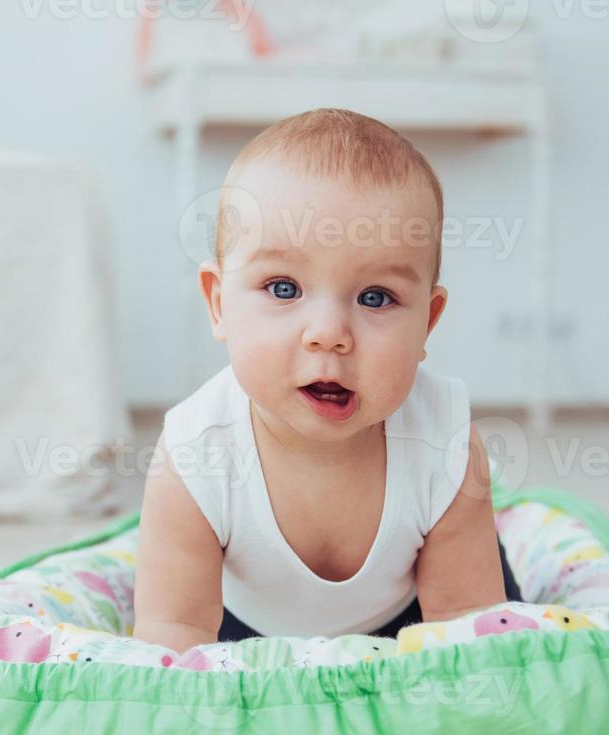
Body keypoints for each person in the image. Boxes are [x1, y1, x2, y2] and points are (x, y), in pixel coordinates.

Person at [133, 108, 520, 653]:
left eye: (375, 297)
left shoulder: (446, 445)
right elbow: (173, 635)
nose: (329, 334)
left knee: (508, 623)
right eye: (284, 288)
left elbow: (464, 629)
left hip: (410, 623)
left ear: (427, 323)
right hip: (245, 631)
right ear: (219, 304)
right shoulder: (194, 453)